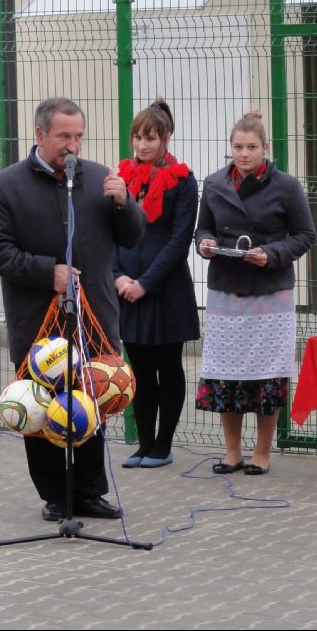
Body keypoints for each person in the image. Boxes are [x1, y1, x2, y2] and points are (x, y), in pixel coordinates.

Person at [0, 97, 146, 522]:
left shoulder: (100, 179)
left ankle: (89, 492)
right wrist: (46, 272)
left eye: (78, 137)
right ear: (39, 134)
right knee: (40, 406)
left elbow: (133, 237)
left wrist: (125, 203)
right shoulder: (8, 185)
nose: (72, 146)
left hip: (94, 319)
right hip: (37, 321)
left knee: (90, 401)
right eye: (63, 136)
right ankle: (55, 495)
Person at [194, 110, 316, 475]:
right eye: (238, 147)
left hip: (270, 292)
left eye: (251, 147)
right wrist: (206, 244)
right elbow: (201, 230)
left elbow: (305, 235)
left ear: (265, 147)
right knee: (226, 375)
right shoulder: (214, 184)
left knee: (267, 376)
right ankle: (232, 452)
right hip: (226, 290)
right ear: (230, 148)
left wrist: (272, 254)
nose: (244, 154)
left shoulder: (286, 186)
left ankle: (262, 452)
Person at [112, 98, 200, 469]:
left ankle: (163, 446)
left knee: (168, 367)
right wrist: (117, 276)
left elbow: (179, 241)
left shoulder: (182, 180)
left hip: (165, 291)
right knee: (140, 371)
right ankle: (144, 444)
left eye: (150, 138)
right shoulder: (121, 179)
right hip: (126, 289)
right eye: (138, 137)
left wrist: (145, 283)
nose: (142, 145)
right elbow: (110, 232)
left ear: (166, 138)